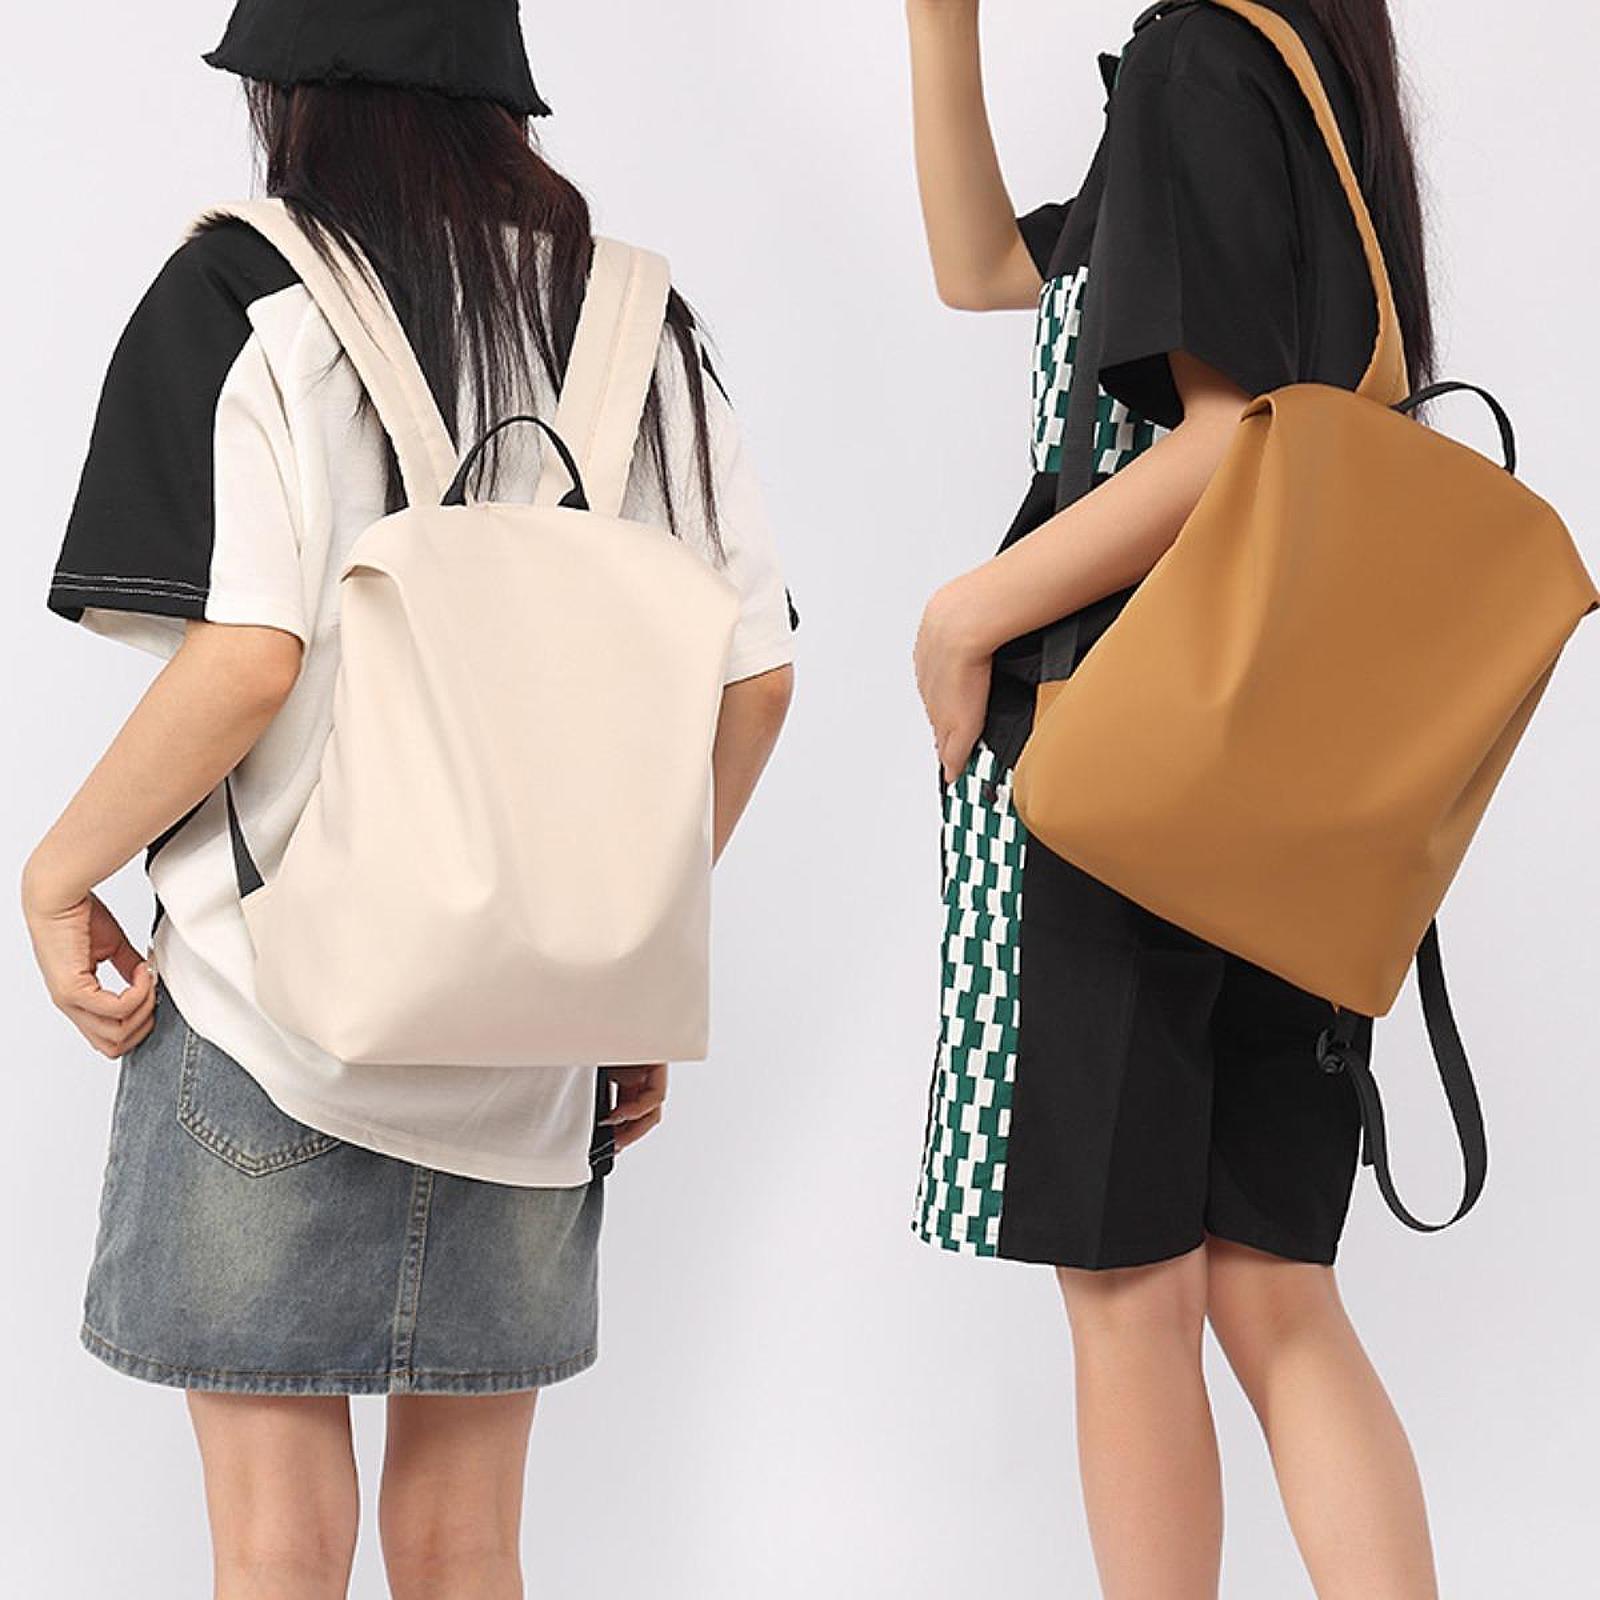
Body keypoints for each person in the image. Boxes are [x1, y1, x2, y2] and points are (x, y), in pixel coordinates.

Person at [21, 2, 796, 1596]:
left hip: (266, 1019)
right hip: (526, 1053)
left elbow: (249, 662)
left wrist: (54, 874)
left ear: (291, 88)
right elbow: (756, 683)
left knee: (276, 1548)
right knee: (464, 1546)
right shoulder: (637, 322)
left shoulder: (244, 290)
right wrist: (613, 951)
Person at [907, 1, 1440, 1594]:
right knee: (1276, 1293)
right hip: (1285, 779)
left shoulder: (1195, 60)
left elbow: (1224, 442)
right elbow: (983, 267)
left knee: (1131, 1292)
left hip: (1118, 762)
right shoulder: (1300, 78)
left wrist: (967, 614)